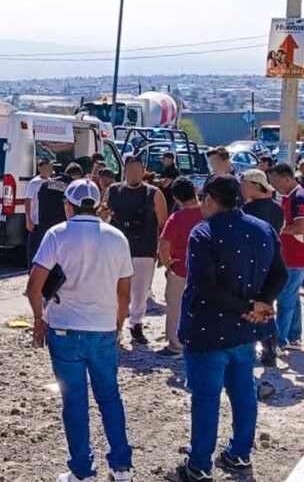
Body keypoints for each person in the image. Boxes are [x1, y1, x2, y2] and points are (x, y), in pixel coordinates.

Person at [169, 174, 286, 481]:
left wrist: (251, 306)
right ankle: (239, 454)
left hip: (207, 331)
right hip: (245, 332)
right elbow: (280, 275)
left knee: (206, 399)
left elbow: (205, 286)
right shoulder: (264, 230)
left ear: (208, 200)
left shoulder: (203, 232)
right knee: (244, 392)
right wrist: (260, 304)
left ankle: (198, 466)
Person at [27, 179, 134, 482]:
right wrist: (118, 324)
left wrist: (39, 318)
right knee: (110, 397)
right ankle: (121, 466)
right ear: (98, 205)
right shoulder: (117, 238)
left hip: (64, 328)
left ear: (68, 205)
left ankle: (81, 471)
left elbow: (34, 287)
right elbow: (124, 293)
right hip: (102, 328)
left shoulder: (57, 234)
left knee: (74, 402)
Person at [104, 156, 167, 345]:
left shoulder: (154, 193)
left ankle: (136, 324)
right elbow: (103, 213)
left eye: (136, 170)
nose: (132, 174)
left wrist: (161, 249)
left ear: (143, 171)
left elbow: (164, 223)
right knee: (117, 291)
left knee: (140, 290)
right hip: (117, 249)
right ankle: (116, 326)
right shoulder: (114, 190)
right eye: (129, 170)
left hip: (144, 248)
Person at [240, 168, 284, 366]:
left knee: (249, 307)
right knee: (267, 305)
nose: (241, 188)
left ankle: (248, 350)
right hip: (272, 263)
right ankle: (270, 351)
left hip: (251, 266)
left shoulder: (246, 212)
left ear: (254, 185)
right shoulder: (277, 208)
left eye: (244, 184)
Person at [156, 178, 203, 359]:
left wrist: (167, 262)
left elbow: (164, 243)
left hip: (181, 269)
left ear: (176, 198)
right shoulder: (209, 213)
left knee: (175, 307)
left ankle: (176, 345)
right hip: (206, 271)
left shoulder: (176, 218)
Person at [266, 163, 304, 351]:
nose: (273, 186)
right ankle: (294, 336)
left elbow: (300, 227)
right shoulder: (290, 196)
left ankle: (279, 341)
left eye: (274, 181)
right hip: (291, 256)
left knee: (285, 299)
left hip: (295, 257)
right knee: (292, 297)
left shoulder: (298, 197)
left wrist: (276, 231)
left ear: (286, 178)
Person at [34, 162, 85, 256]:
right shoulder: (72, 187)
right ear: (76, 176)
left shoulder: (46, 183)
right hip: (62, 229)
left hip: (44, 227)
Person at [25, 158, 54, 263]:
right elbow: (28, 201)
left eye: (50, 168)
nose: (48, 170)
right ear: (40, 168)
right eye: (45, 168)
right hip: (36, 221)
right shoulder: (34, 183)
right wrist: (28, 219)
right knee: (34, 248)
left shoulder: (52, 182)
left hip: (47, 221)